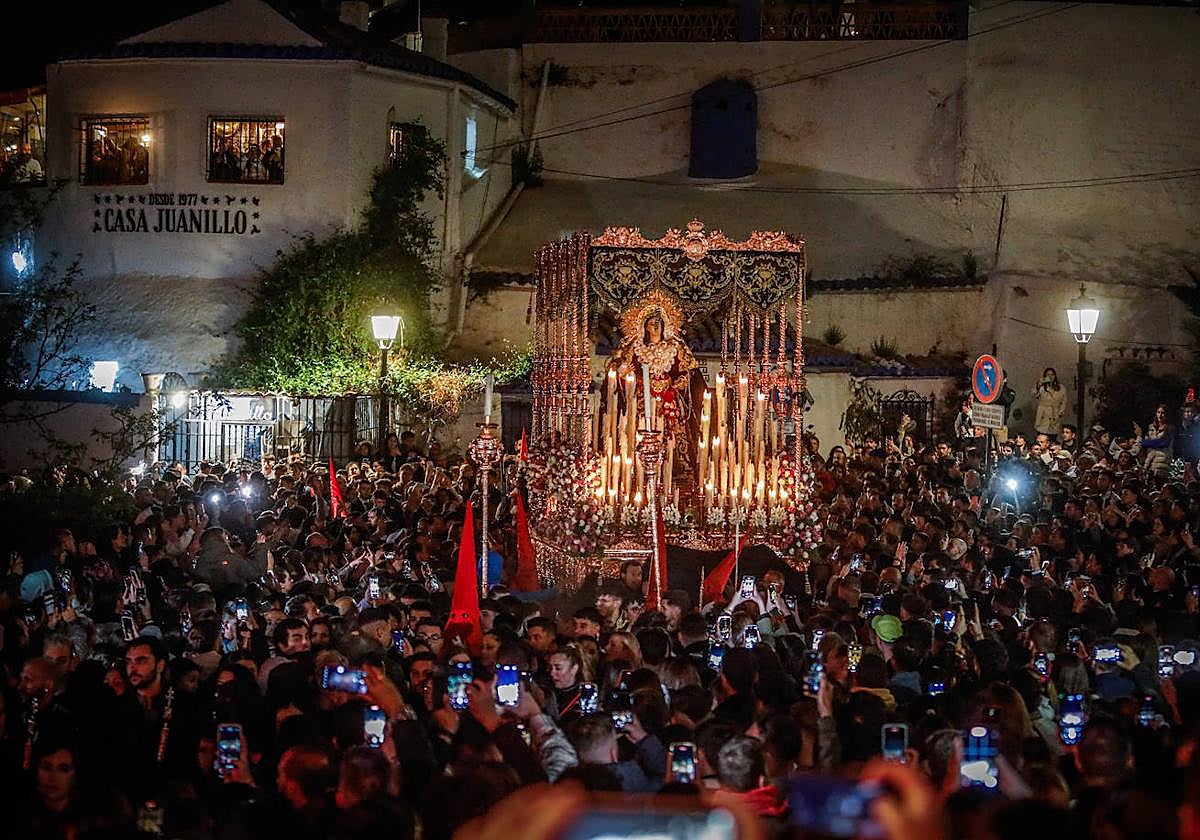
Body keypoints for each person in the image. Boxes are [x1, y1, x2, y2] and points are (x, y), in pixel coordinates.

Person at [1032, 367, 1067, 440]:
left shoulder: (1061, 388)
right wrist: (1038, 385)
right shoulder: (1042, 387)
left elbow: (1064, 401)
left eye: (1052, 374)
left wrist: (1060, 412)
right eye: (1048, 375)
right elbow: (1034, 394)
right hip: (1043, 414)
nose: (1050, 377)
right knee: (1041, 436)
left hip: (1054, 415)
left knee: (1052, 437)